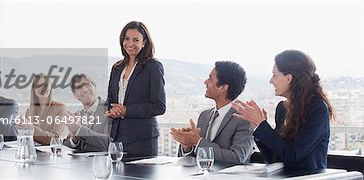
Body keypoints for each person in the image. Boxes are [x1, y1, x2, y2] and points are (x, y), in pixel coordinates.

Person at [232, 50, 334, 170]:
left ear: (288, 78)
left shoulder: (317, 109)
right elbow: (274, 159)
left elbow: (293, 155)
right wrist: (258, 127)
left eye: (274, 75)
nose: (271, 80)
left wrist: (261, 125)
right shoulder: (282, 108)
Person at [171, 61, 254, 163]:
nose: (205, 82)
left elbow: (237, 158)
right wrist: (187, 146)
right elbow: (194, 158)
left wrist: (197, 141)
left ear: (223, 87)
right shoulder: (204, 116)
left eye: (210, 78)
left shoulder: (243, 119)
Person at [107, 21, 166, 158]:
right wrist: (112, 110)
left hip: (142, 139)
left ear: (144, 42)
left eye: (136, 40)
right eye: (126, 39)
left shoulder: (153, 67)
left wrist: (127, 110)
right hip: (117, 138)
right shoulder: (117, 68)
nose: (130, 43)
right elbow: (111, 100)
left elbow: (159, 106)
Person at [63, 73, 111, 151]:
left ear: (94, 86)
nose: (84, 90)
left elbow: (110, 143)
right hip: (82, 162)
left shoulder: (109, 109)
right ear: (75, 94)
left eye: (87, 84)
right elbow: (66, 144)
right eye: (79, 87)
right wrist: (74, 138)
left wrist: (79, 130)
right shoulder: (78, 115)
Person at [25, 73, 69, 145]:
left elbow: (55, 138)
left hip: (50, 153)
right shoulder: (29, 111)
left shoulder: (60, 108)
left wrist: (31, 128)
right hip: (32, 151)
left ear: (50, 87)